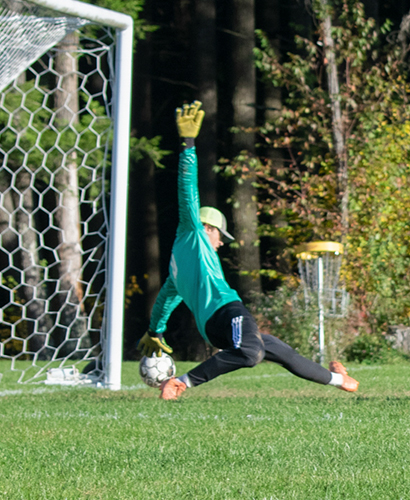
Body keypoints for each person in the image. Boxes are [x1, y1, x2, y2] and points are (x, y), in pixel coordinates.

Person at [137, 101, 359, 400]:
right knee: (251, 352)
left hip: (212, 330)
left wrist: (155, 332)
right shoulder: (194, 234)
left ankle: (337, 379)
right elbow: (187, 189)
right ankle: (182, 383)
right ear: (208, 229)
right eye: (220, 238)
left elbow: (164, 300)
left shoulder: (177, 264)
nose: (219, 245)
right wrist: (188, 144)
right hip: (228, 312)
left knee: (276, 349)